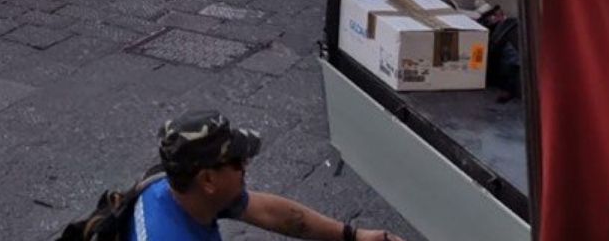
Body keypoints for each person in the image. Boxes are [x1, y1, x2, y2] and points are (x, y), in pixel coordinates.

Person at [131, 110, 405, 240]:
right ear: (208, 180)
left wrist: (354, 236)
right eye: (237, 162)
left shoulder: (175, 188)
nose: (246, 165)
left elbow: (274, 214)